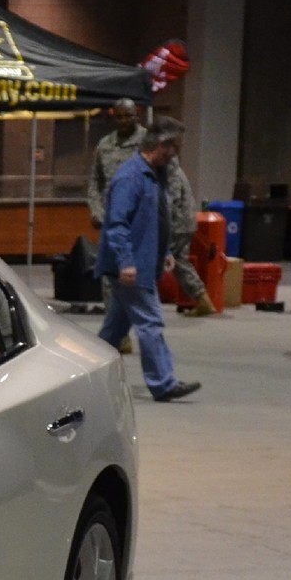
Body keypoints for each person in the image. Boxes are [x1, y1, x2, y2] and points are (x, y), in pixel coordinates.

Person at [97, 117, 201, 402]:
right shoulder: (130, 177)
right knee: (151, 323)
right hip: (132, 267)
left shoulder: (155, 175)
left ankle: (88, 373)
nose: (176, 153)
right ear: (162, 145)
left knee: (114, 330)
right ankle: (163, 383)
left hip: (143, 261)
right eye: (174, 147)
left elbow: (154, 220)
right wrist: (126, 262)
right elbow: (117, 225)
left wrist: (165, 252)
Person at [163, 153, 220, 318]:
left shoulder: (169, 172)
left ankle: (138, 304)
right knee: (180, 262)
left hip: (177, 224)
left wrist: (161, 226)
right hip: (185, 222)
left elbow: (169, 203)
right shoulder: (176, 169)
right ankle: (203, 299)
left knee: (164, 260)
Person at [86, 99, 144, 233]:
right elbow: (95, 181)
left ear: (136, 116)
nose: (124, 121)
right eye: (119, 117)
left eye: (128, 116)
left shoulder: (148, 142)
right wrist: (97, 212)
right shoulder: (105, 144)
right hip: (111, 220)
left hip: (139, 220)